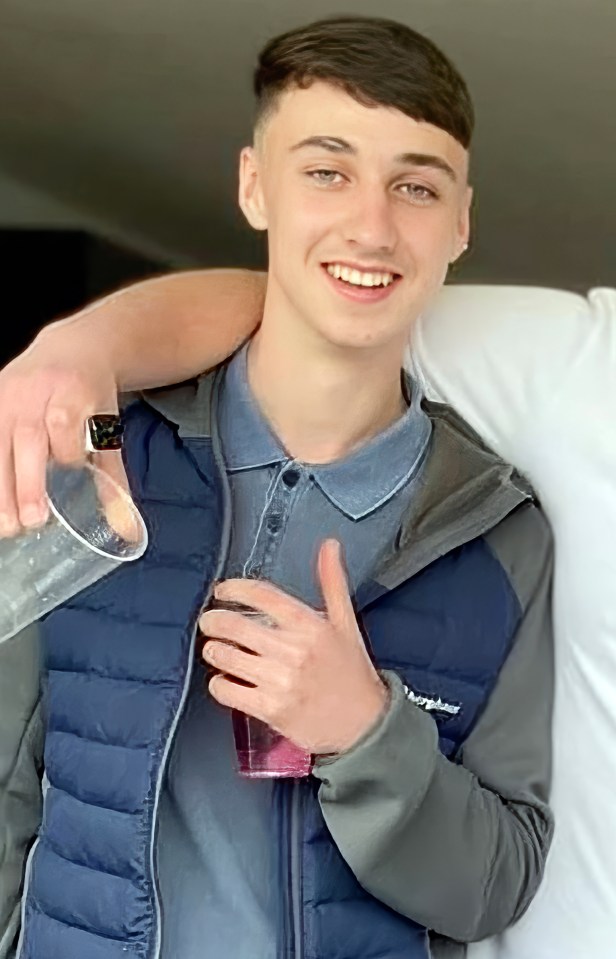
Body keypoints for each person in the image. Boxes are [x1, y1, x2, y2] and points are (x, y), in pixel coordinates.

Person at [0, 16, 555, 959]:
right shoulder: (101, 460)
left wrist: (364, 732)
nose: (372, 226)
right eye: (326, 171)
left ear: (461, 222)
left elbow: (495, 884)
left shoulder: (496, 535)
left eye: (416, 186)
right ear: (256, 186)